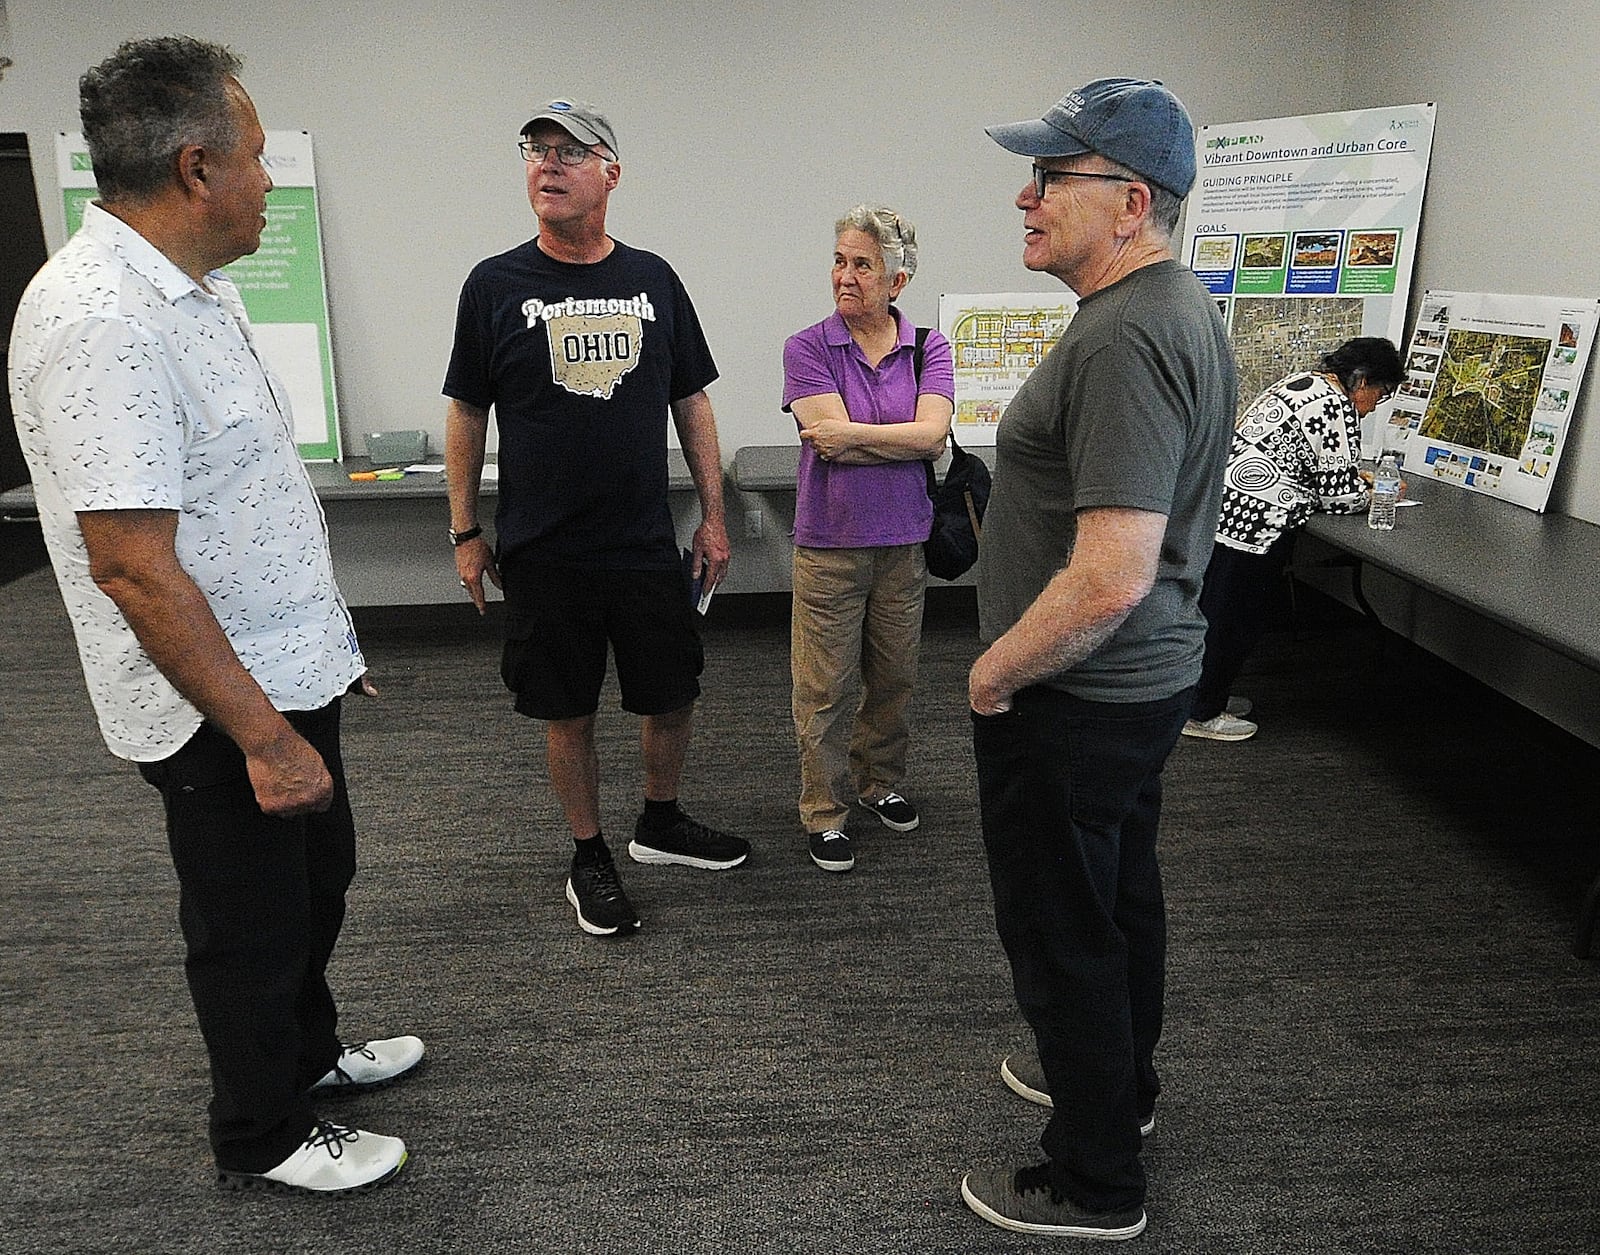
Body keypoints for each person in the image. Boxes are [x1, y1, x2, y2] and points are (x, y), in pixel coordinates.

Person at [7, 36, 421, 1196]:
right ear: (197, 167)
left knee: (314, 882)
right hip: (214, 706)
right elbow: (134, 568)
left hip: (282, 665)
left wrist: (323, 650)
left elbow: (244, 496)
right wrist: (264, 736)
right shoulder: (100, 322)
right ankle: (263, 1131)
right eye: (255, 156)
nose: (268, 180)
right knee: (248, 922)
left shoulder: (192, 287)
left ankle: (306, 1056)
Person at [961, 79, 1237, 1240]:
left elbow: (1113, 571)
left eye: (1049, 177)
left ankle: (1092, 1179)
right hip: (1136, 682)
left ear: (1128, 202)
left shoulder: (1128, 335)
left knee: (1062, 928)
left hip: (1076, 690)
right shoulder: (1154, 306)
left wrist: (994, 675)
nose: (1023, 196)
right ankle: (1120, 1094)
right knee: (1117, 897)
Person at [444, 98, 747, 937]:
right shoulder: (495, 284)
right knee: (565, 708)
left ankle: (660, 819)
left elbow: (692, 399)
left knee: (672, 691)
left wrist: (713, 516)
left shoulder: (653, 278)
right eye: (536, 148)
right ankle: (589, 850)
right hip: (545, 549)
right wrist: (466, 531)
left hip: (645, 542)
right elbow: (467, 412)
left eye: (570, 151)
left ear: (611, 172)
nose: (547, 163)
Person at [782, 205, 955, 873]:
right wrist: (899, 440)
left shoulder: (929, 347)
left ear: (897, 281)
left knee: (895, 678)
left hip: (902, 544)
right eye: (839, 260)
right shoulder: (807, 346)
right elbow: (826, 438)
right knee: (823, 689)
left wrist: (856, 435)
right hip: (828, 545)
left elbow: (931, 436)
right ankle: (824, 811)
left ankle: (879, 783)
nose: (844, 276)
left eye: (862, 264)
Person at [1183, 337, 1404, 741]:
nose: (1375, 406)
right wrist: (1379, 493)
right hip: (1260, 521)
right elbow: (1339, 496)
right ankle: (1202, 712)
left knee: (1213, 610)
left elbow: (1309, 460)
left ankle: (1199, 697)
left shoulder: (1302, 384)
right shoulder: (1336, 406)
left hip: (1226, 508)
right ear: (1361, 380)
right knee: (1236, 620)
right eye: (1380, 393)